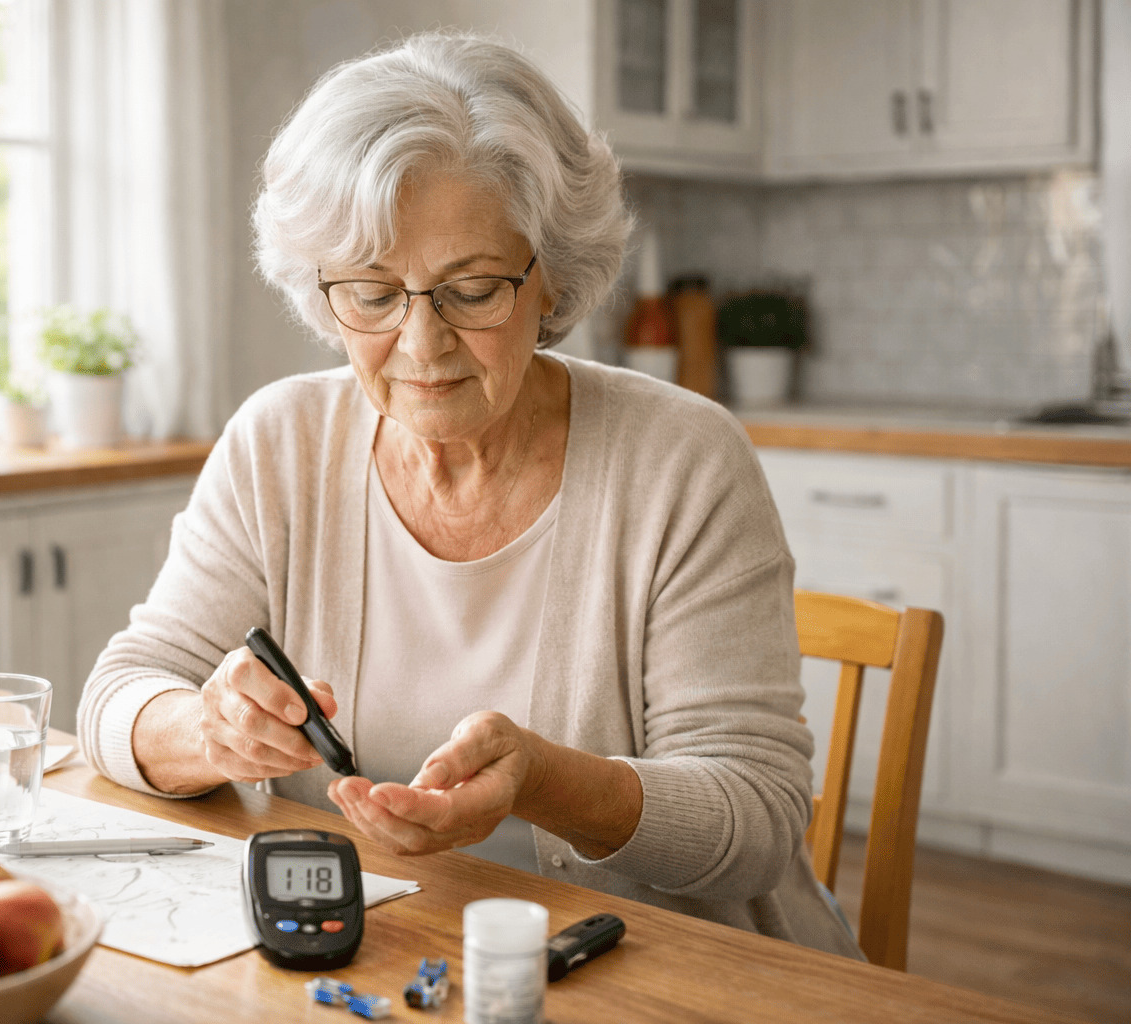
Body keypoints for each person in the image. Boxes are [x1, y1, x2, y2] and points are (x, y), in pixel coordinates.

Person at [78, 31, 861, 958]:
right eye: (371, 293)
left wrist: (547, 782)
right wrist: (207, 731)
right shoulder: (277, 441)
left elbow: (758, 823)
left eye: (473, 289)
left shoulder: (681, 459)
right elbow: (119, 697)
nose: (421, 344)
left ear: (552, 278)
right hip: (377, 963)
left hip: (656, 974)